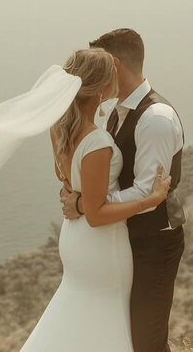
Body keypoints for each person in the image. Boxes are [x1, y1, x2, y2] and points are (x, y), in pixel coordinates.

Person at [21, 47, 171, 352]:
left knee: (77, 312)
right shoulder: (98, 142)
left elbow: (65, 182)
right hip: (101, 244)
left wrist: (76, 200)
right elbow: (97, 213)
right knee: (106, 320)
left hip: (74, 240)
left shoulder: (59, 129)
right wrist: (151, 198)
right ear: (101, 89)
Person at [62, 28, 186, 352]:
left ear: (114, 65)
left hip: (154, 243)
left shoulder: (155, 117)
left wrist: (87, 205)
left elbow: (147, 193)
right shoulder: (116, 113)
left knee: (147, 340)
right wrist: (88, 201)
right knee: (125, 336)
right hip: (124, 242)